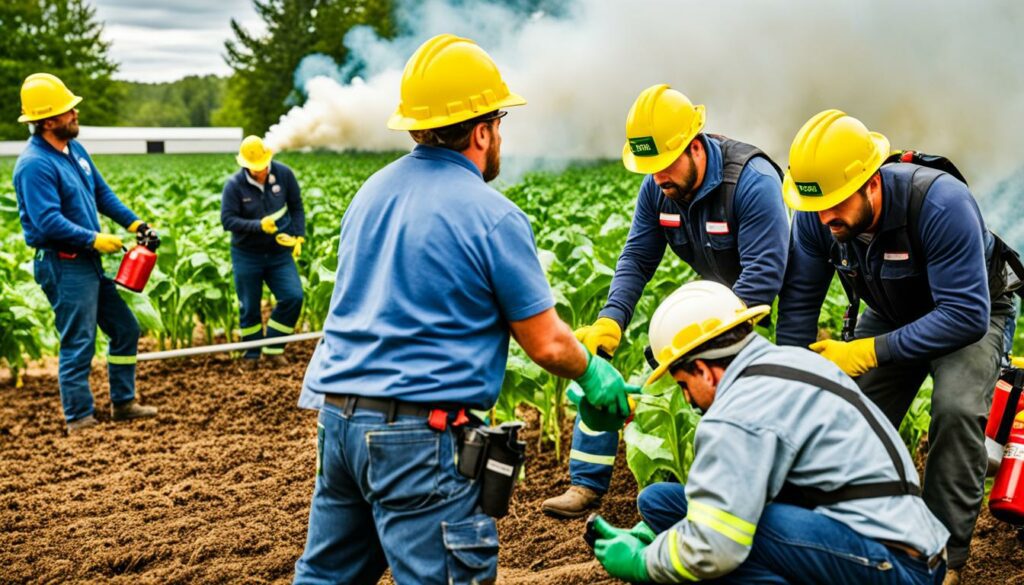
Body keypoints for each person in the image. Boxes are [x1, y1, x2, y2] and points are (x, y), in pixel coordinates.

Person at [291, 34, 634, 585]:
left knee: (328, 578)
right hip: (418, 437)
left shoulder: (370, 194)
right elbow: (545, 342)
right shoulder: (491, 214)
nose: (500, 136)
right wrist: (593, 371)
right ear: (481, 130)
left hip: (338, 423)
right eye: (499, 123)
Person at [775, 110, 1019, 584]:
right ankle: (853, 531)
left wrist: (870, 351)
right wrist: (795, 382)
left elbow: (965, 315)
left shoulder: (940, 202)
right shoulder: (817, 216)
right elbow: (800, 303)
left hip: (973, 312)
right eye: (817, 207)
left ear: (871, 182)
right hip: (891, 310)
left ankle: (945, 557)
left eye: (836, 204)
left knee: (955, 409)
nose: (826, 219)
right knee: (848, 412)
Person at [590, 281, 949, 584]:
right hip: (897, 540)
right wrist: (653, 535)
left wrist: (645, 563)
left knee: (729, 541)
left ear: (705, 370)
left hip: (897, 565)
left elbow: (717, 545)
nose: (687, 400)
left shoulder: (739, 410)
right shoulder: (789, 362)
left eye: (683, 385)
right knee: (660, 503)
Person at [543, 84, 789, 518]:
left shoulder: (752, 182)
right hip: (714, 299)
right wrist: (610, 320)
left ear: (695, 146)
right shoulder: (658, 188)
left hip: (769, 300)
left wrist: (698, 345)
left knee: (748, 392)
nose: (656, 177)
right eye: (648, 167)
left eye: (662, 164)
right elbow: (637, 257)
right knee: (618, 368)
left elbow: (765, 275)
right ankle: (586, 483)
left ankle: (759, 492)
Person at [12, 73, 158, 434]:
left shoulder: (74, 150)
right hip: (62, 264)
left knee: (125, 328)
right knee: (79, 340)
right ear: (48, 121)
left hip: (87, 263)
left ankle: (123, 403)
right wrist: (95, 239)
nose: (75, 112)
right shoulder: (34, 164)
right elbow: (47, 222)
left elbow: (102, 195)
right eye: (67, 110)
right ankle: (80, 419)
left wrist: (134, 224)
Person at [220, 135, 305, 369]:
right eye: (255, 169)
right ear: (245, 165)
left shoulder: (284, 174)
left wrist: (299, 235)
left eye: (264, 167)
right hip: (247, 254)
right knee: (249, 305)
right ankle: (251, 354)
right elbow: (227, 220)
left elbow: (296, 206)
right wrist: (257, 226)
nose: (261, 172)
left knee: (293, 297)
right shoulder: (234, 185)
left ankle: (274, 348)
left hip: (279, 254)